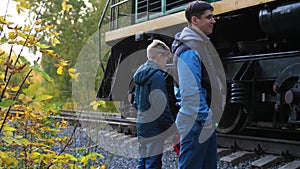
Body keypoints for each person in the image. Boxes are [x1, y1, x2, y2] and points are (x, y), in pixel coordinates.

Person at [172, 1, 222, 169]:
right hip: (197, 121)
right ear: (195, 20)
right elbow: (190, 90)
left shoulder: (198, 45)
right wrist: (206, 118)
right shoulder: (189, 49)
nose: (213, 21)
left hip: (201, 120)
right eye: (209, 17)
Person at [133, 39, 175, 169]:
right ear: (159, 57)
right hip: (154, 127)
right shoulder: (157, 76)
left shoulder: (140, 72)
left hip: (142, 124)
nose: (165, 64)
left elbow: (135, 102)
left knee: (143, 162)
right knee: (153, 164)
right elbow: (160, 106)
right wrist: (171, 127)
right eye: (165, 60)